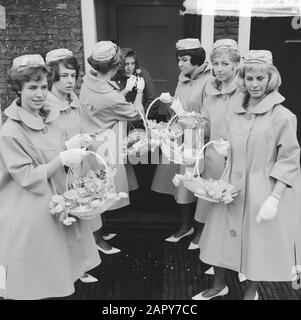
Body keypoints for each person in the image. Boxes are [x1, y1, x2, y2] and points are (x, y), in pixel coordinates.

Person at [193, 50, 301, 300]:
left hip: (263, 190)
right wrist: (225, 148)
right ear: (242, 78)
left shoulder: (283, 117)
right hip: (231, 186)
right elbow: (234, 146)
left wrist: (275, 198)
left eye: (260, 79)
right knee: (219, 237)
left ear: (270, 79)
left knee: (258, 245)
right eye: (249, 78)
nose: (254, 84)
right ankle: (219, 285)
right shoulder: (235, 112)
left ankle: (251, 291)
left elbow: (289, 160)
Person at [0, 54, 100, 299]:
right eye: (32, 87)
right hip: (30, 209)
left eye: (44, 87)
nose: (39, 94)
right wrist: (61, 159)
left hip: (56, 200)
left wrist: (71, 145)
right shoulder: (10, 131)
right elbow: (27, 176)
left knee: (59, 271)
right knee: (36, 277)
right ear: (18, 89)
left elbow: (53, 150)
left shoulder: (49, 116)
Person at [79, 41, 145, 254]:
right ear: (116, 66)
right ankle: (96, 240)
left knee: (94, 190)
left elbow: (109, 99)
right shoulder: (110, 97)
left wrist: (124, 89)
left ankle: (98, 231)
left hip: (89, 141)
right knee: (99, 193)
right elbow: (136, 113)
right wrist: (140, 91)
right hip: (104, 149)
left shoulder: (89, 81)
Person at [192, 40, 245, 282]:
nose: (219, 69)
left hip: (237, 162)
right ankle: (218, 261)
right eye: (215, 64)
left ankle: (240, 262)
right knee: (215, 214)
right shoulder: (211, 92)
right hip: (214, 159)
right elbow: (206, 123)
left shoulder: (245, 92)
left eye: (225, 64)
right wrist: (192, 122)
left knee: (234, 213)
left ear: (237, 65)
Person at [45, 48, 99, 283]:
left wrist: (86, 139)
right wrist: (68, 147)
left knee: (77, 222)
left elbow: (78, 126)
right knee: (62, 223)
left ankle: (79, 266)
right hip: (58, 172)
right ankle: (64, 271)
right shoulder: (45, 104)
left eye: (73, 75)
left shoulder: (72, 98)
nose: (70, 81)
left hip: (76, 169)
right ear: (52, 77)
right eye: (64, 75)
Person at [151, 38, 211, 243]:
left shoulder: (210, 80)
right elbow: (176, 111)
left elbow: (207, 116)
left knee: (201, 186)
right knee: (183, 188)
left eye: (184, 59)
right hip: (182, 139)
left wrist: (182, 113)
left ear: (196, 58)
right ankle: (185, 227)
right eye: (179, 59)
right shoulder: (182, 78)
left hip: (200, 140)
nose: (180, 64)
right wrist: (170, 106)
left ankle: (201, 232)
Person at [113, 47, 158, 119]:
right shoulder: (114, 75)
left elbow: (154, 102)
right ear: (120, 64)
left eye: (133, 63)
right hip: (120, 120)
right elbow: (111, 104)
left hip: (140, 120)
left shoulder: (142, 74)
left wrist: (140, 118)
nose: (130, 68)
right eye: (126, 64)